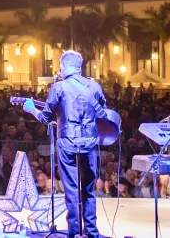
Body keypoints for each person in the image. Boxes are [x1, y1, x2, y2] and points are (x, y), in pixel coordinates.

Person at [22, 50, 109, 238]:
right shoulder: (94, 86)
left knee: (71, 190)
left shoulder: (59, 88)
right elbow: (103, 108)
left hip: (67, 143)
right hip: (89, 143)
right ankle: (92, 233)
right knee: (88, 190)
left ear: (63, 67)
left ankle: (74, 233)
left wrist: (31, 110)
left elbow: (45, 117)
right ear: (79, 67)